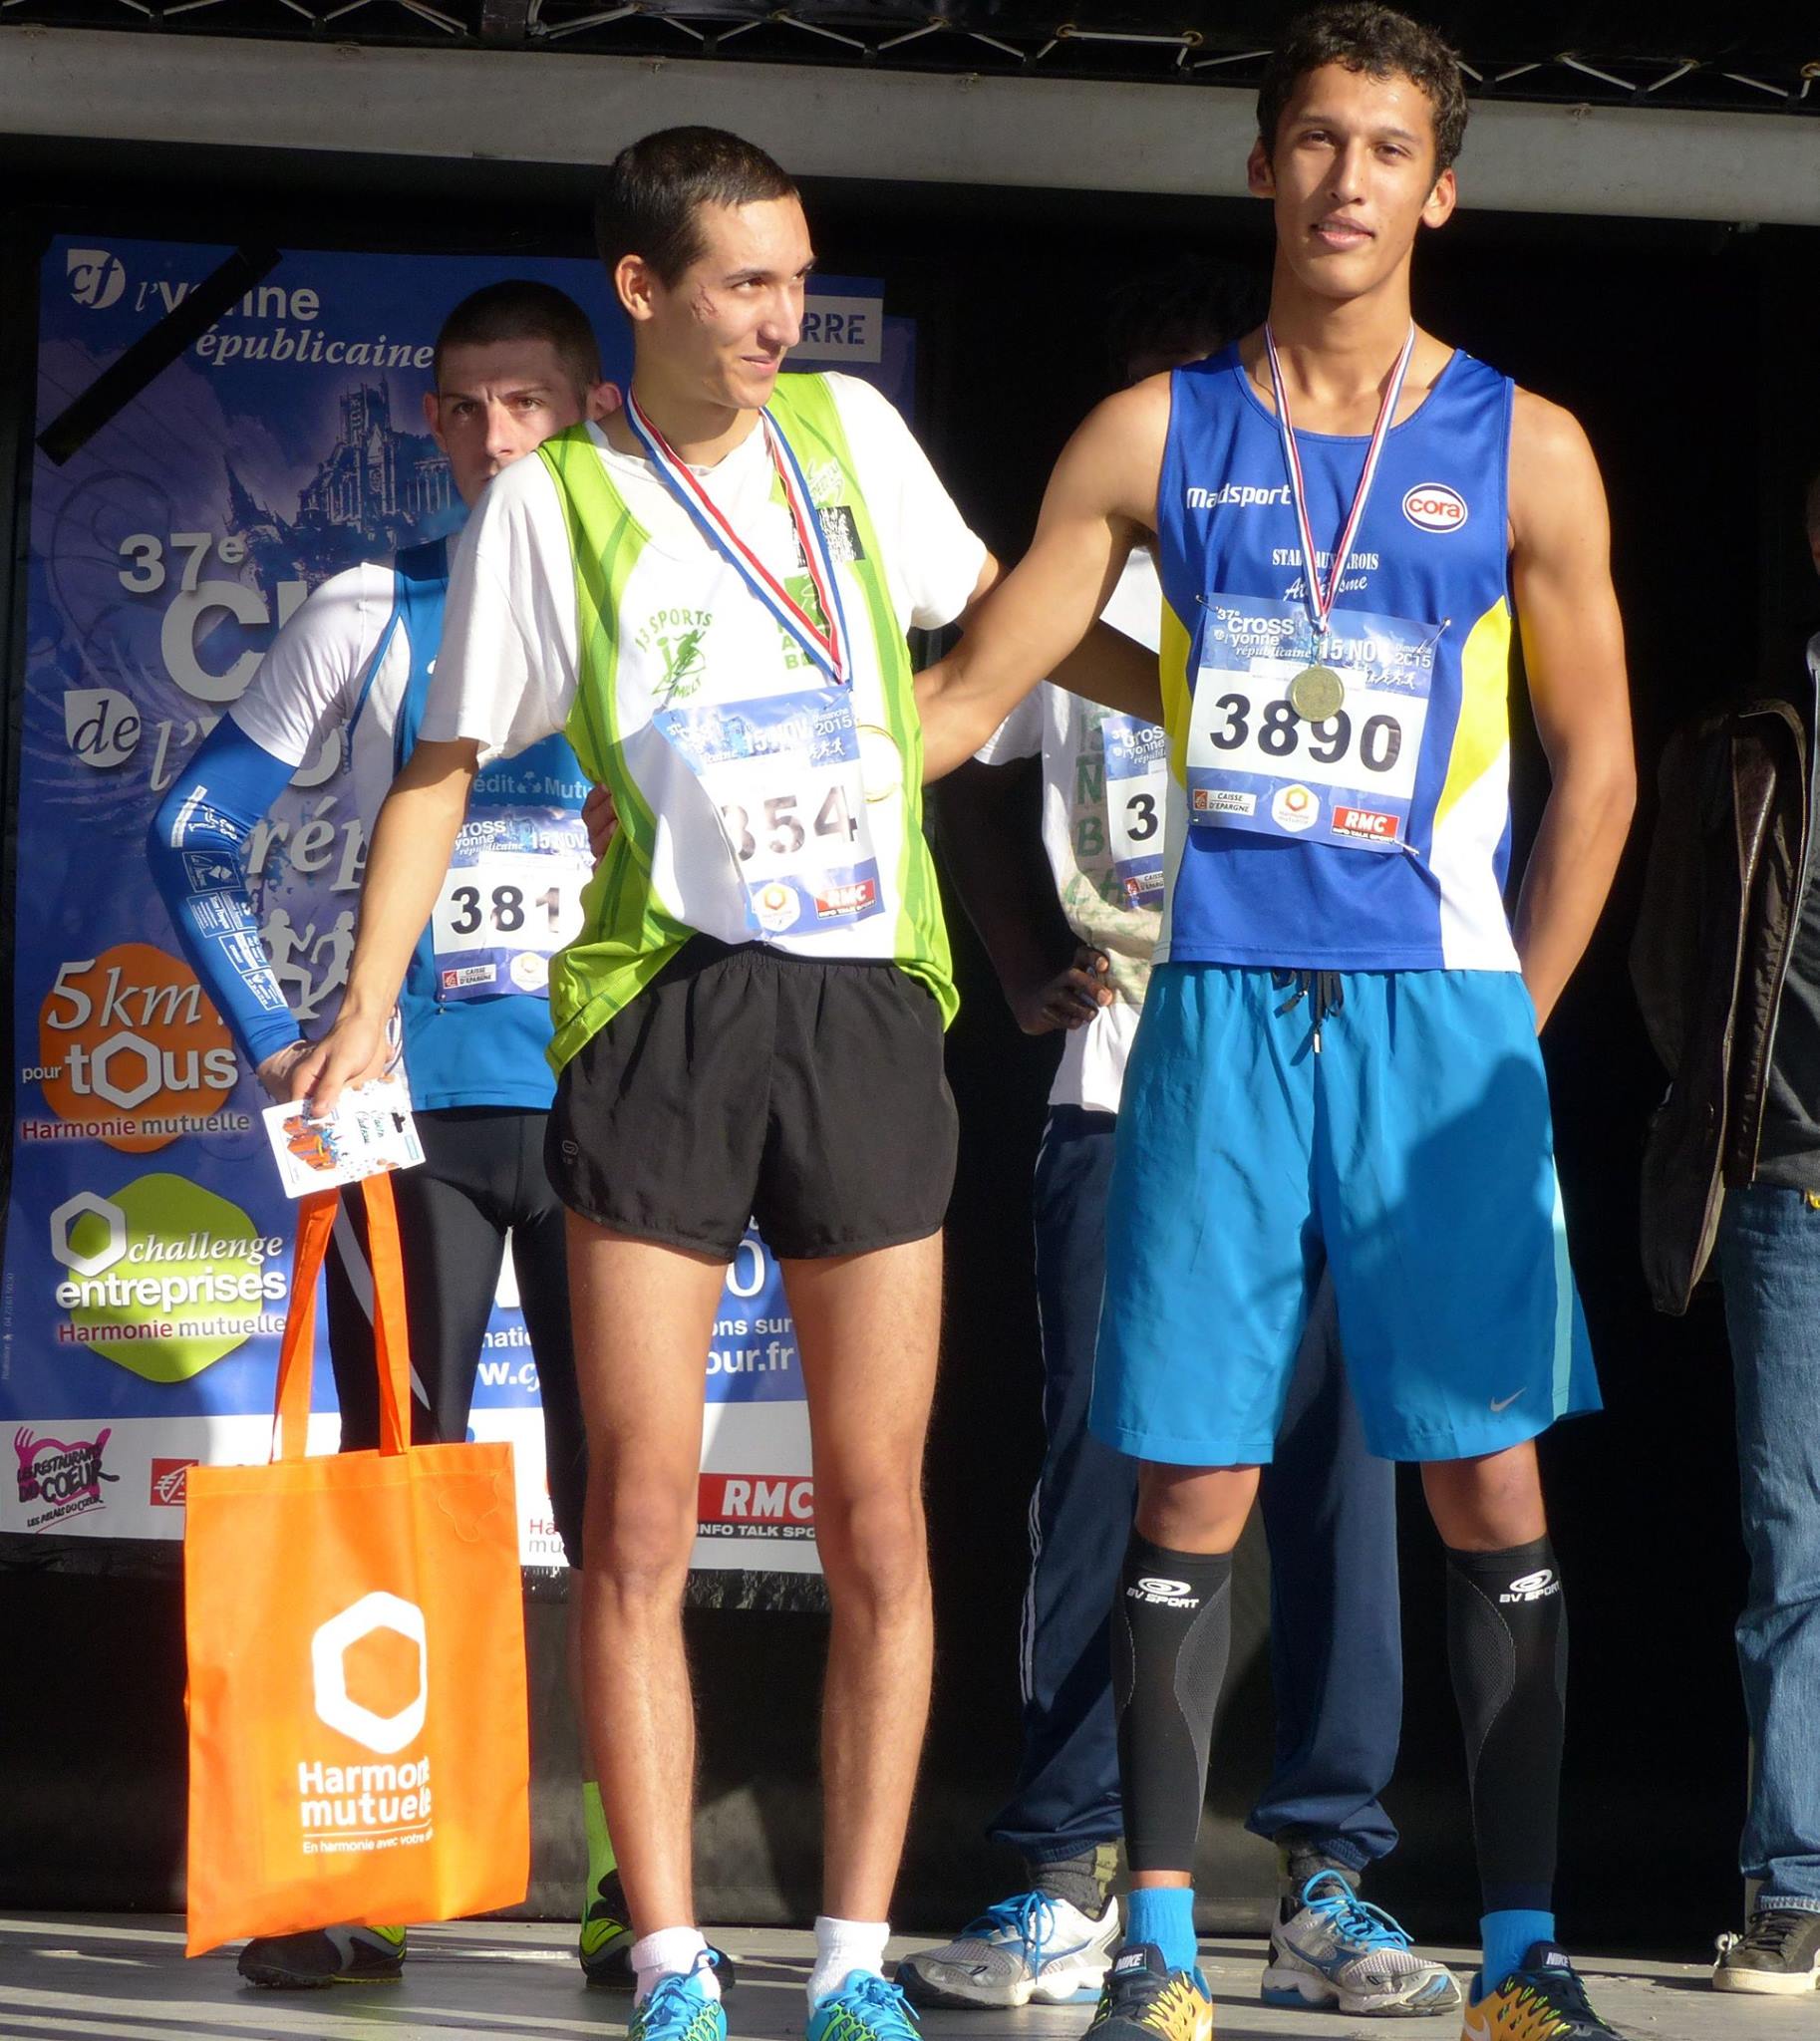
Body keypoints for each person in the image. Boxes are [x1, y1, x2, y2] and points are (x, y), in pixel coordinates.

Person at [914, 6, 1637, 2037]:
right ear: (1260, 167)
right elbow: (969, 695)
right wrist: (764, 769)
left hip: (1439, 1021)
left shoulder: (1525, 445)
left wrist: (1513, 1026)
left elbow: (1600, 769)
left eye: (1386, 148)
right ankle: (1155, 1952)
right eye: (1315, 138)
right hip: (1216, 1011)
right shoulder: (1148, 434)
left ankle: (1519, 1954)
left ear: (1439, 190)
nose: (1346, 178)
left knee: (1486, 1482)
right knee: (1187, 1483)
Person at [284, 128, 1017, 2041]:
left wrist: (1157, 683)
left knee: (877, 1517)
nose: (782, 319)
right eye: (745, 284)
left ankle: (852, 1956)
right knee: (635, 1519)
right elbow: (444, 764)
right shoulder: (554, 504)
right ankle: (674, 1952)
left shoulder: (852, 435)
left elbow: (1004, 612)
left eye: (797, 279)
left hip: (864, 1004)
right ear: (644, 290)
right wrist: (365, 1007)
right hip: (660, 1010)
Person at [901, 257, 1455, 2020]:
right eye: (1164, 416)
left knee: (1339, 1477)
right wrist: (1017, 967)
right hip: (1126, 1085)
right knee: (1102, 1478)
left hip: (1333, 1084)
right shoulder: (1072, 587)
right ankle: (1065, 1869)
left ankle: (1327, 1873)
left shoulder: (1347, 581)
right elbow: (964, 746)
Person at [148, 280, 663, 1992]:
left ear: (588, 412)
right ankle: (351, 1877)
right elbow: (191, 831)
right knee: (390, 1477)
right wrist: (278, 1042)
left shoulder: (661, 605)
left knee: (626, 1501)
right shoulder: (369, 605)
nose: (493, 438)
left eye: (527, 405)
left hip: (612, 1114)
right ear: (431, 424)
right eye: (463, 407)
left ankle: (637, 1892)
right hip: (409, 1121)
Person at [1633, 465, 1820, 1996]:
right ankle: (1797, 1886)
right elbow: (1667, 968)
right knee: (1794, 1548)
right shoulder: (1742, 744)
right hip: (1789, 1199)